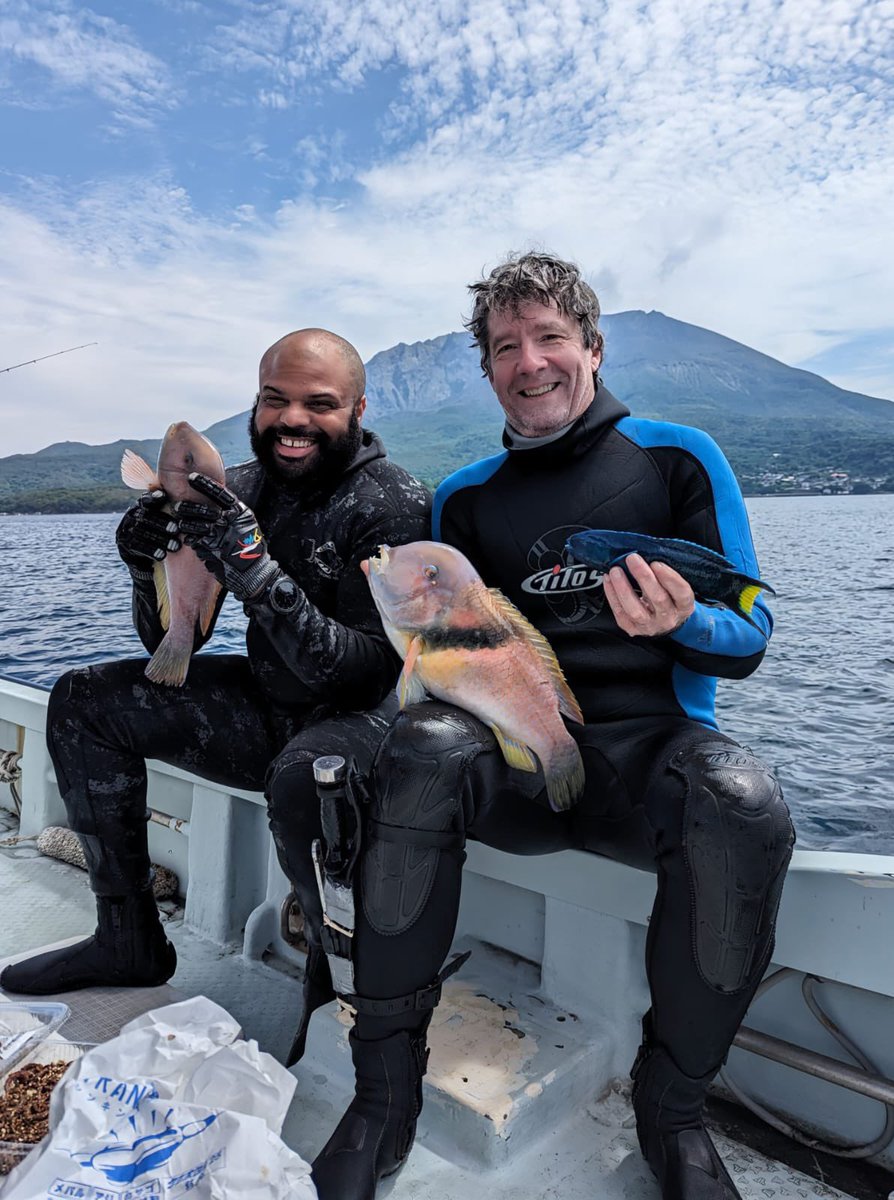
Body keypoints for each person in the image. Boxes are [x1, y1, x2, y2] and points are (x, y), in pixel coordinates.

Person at [271, 256, 795, 1200]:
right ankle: (384, 1099)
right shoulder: (466, 500)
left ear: (592, 347)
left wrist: (685, 623)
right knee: (419, 750)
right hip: (508, 759)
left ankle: (673, 1116)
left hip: (647, 753)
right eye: (505, 346)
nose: (531, 361)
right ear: (487, 370)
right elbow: (433, 657)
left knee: (741, 803)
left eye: (551, 337)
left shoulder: (678, 457)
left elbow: (749, 631)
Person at [1, 328, 430, 997]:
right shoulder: (236, 488)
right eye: (273, 399)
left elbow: (366, 673)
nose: (292, 419)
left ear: (358, 410)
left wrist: (258, 575)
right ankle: (128, 940)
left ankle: (339, 983)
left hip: (359, 728)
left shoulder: (391, 503)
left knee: (307, 777)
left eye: (318, 403)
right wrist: (146, 567)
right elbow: (170, 644)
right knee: (84, 701)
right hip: (265, 706)